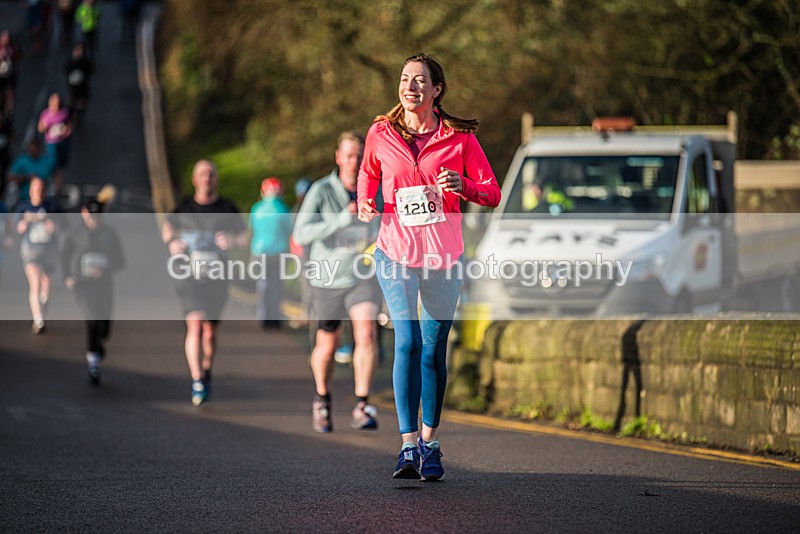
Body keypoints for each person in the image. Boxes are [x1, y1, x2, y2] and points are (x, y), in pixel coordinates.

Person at [357, 53, 501, 480]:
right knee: (407, 342)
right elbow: (368, 173)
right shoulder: (381, 132)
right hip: (395, 253)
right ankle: (406, 446)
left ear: (437, 90)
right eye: (405, 79)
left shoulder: (459, 140)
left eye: (420, 80)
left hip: (444, 258)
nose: (411, 86)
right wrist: (365, 201)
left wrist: (465, 185)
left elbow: (492, 193)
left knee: (434, 350)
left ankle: (430, 442)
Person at [293, 131, 381, 433]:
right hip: (327, 278)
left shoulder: (373, 189)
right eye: (349, 155)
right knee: (327, 345)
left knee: (366, 332)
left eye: (359, 155)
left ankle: (361, 404)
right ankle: (322, 398)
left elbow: (383, 229)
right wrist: (341, 220)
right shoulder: (321, 190)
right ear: (338, 157)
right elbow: (301, 234)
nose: (354, 161)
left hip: (361, 275)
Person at [161, 160, 248, 406]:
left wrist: (232, 241)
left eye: (210, 174)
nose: (206, 178)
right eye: (202, 174)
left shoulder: (227, 208)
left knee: (210, 332)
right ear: (194, 179)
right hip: (189, 277)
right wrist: (172, 243)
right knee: (195, 324)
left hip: (218, 278)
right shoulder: (184, 207)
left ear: (216, 178)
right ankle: (197, 380)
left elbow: (243, 237)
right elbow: (167, 227)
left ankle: (206, 369)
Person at [61, 186, 125, 385]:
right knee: (92, 320)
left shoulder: (109, 234)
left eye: (98, 217)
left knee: (104, 326)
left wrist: (106, 267)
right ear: (84, 213)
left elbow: (121, 260)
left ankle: (99, 343)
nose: (94, 221)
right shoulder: (75, 234)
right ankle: (93, 364)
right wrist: (68, 276)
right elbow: (65, 256)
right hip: (83, 285)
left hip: (104, 286)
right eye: (91, 216)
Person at [15, 177, 60, 334]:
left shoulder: (52, 207)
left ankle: (43, 301)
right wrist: (22, 225)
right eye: (35, 189)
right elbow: (14, 227)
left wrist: (54, 226)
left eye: (41, 189)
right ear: (30, 190)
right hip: (31, 251)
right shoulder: (24, 207)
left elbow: (64, 224)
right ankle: (38, 319)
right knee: (35, 283)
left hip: (49, 251)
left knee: (47, 284)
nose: (38, 192)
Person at [249, 177, 292, 330]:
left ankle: (263, 318)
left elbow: (252, 229)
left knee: (262, 285)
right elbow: (289, 230)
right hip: (279, 251)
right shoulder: (283, 208)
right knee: (276, 286)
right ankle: (275, 319)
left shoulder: (256, 208)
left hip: (259, 251)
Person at [8, 137, 58, 206]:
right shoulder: (22, 161)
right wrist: (25, 177)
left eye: (35, 148)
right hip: (24, 199)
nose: (32, 150)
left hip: (44, 200)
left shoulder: (46, 161)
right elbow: (10, 176)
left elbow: (57, 172)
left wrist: (56, 188)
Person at [37, 93, 73, 187]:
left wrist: (67, 131)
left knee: (62, 163)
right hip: (52, 142)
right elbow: (40, 127)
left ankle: (58, 182)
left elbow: (70, 124)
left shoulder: (64, 113)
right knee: (54, 162)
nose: (55, 105)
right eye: (53, 103)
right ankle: (52, 182)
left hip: (63, 141)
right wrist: (45, 127)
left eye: (57, 103)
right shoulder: (46, 114)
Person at [64, 42, 93, 124]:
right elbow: (66, 69)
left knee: (82, 103)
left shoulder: (85, 62)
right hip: (73, 87)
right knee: (72, 103)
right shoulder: (70, 61)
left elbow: (90, 71)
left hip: (82, 87)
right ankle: (72, 117)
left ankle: (79, 117)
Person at [0, 30, 21, 115]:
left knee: (9, 93)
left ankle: (8, 113)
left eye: (7, 38)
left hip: (9, 75)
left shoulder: (13, 48)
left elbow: (18, 58)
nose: (5, 40)